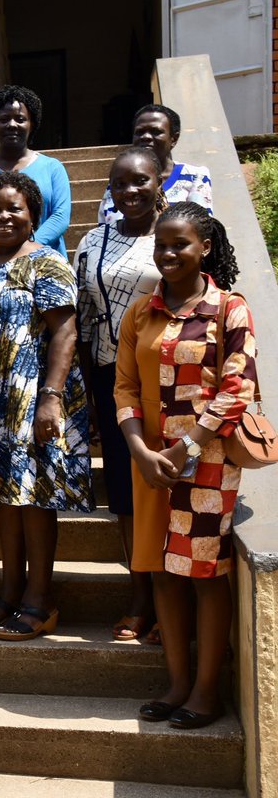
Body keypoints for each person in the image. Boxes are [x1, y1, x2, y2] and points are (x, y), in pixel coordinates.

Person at [116, 202, 255, 729]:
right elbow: (124, 386)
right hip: (149, 461)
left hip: (208, 466)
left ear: (206, 248)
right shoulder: (139, 313)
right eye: (161, 245)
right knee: (162, 575)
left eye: (180, 244)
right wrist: (140, 450)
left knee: (202, 576)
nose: (169, 253)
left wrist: (185, 449)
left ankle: (206, 692)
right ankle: (176, 684)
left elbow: (237, 387)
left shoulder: (228, 308)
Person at [0, 171, 92, 641]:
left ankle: (39, 599)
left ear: (33, 215)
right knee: (2, 499)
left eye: (14, 208)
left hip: (30, 396)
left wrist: (50, 398)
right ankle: (9, 593)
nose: (4, 216)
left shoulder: (46, 263)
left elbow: (65, 332)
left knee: (33, 498)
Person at [74, 147, 166, 642]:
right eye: (120, 183)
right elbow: (86, 320)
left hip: (172, 381)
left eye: (140, 181)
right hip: (115, 382)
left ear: (161, 180)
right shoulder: (91, 242)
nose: (130, 191)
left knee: (168, 488)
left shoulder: (177, 234)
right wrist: (92, 393)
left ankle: (172, 597)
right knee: (127, 497)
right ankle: (140, 595)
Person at [0, 85, 72, 257]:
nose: (12, 124)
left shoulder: (53, 168)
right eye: (4, 119)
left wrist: (26, 250)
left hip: (45, 262)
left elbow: (60, 217)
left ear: (32, 124)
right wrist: (0, 252)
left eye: (20, 119)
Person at [98, 104, 212, 225]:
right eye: (140, 132)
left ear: (174, 138)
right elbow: (104, 226)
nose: (146, 137)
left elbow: (201, 228)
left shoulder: (195, 176)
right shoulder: (120, 182)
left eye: (156, 132)